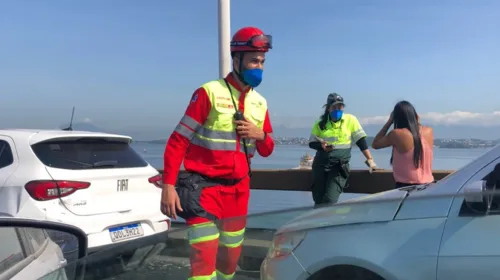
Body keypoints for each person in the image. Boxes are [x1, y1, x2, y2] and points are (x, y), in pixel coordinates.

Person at [160, 26, 275, 280]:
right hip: (204, 191)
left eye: (262, 61)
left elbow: (267, 149)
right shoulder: (209, 92)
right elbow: (178, 140)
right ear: (237, 60)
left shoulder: (260, 102)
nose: (259, 67)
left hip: (239, 193)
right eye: (254, 60)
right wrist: (168, 186)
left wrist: (260, 135)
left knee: (229, 264)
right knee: (203, 266)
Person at [308, 93, 377, 207]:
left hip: (338, 167)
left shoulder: (350, 120)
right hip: (320, 166)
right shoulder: (320, 123)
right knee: (318, 200)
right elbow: (312, 143)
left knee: (330, 200)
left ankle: (326, 222)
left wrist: (370, 159)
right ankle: (319, 224)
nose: (337, 109)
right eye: (334, 107)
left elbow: (360, 141)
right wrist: (322, 146)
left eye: (340, 107)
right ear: (328, 108)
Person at [371, 100, 434, 188]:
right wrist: (416, 119)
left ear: (396, 118)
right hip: (429, 185)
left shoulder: (397, 134)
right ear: (415, 115)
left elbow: (375, 144)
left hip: (406, 186)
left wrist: (389, 122)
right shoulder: (429, 131)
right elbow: (417, 135)